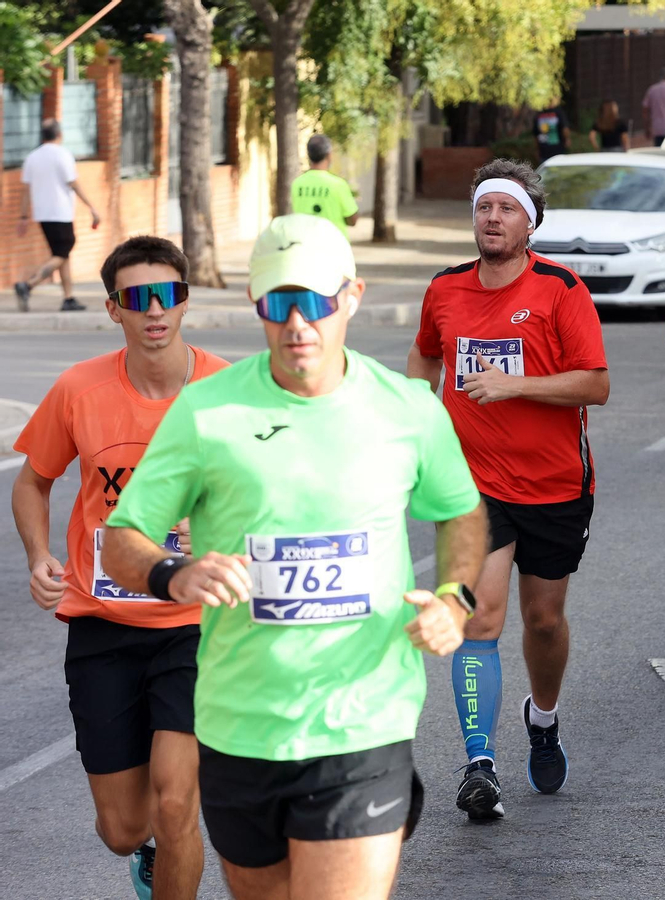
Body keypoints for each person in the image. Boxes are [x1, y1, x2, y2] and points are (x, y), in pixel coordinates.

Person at [100, 214, 485, 899]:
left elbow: (460, 511)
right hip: (239, 728)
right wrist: (174, 572)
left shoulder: (406, 410)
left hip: (362, 724)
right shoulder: (206, 412)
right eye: (279, 304)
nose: (297, 323)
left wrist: (455, 598)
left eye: (315, 302)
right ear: (259, 308)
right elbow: (124, 537)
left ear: (352, 297)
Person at [12, 236, 227, 900]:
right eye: (139, 299)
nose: (156, 311)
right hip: (103, 628)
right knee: (124, 827)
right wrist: (39, 556)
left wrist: (219, 526)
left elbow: (281, 493)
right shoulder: (79, 389)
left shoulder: (230, 391)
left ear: (185, 301)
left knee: (176, 803)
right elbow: (32, 481)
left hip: (196, 626)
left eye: (169, 295)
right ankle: (149, 857)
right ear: (113, 309)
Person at [407, 159, 610, 818]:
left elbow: (595, 384)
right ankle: (479, 763)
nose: (492, 219)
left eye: (507, 209)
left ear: (530, 223)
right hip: (473, 486)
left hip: (555, 484)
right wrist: (416, 417)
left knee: (544, 622)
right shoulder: (445, 288)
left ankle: (543, 719)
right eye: (484, 207)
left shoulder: (560, 289)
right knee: (481, 617)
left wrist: (513, 384)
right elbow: (425, 358)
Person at [15, 119, 102, 313]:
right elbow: (74, 183)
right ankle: (28, 285)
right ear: (59, 135)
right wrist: (92, 207)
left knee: (61, 253)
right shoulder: (62, 155)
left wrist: (23, 216)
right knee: (63, 251)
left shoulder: (32, 157)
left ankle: (68, 298)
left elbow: (26, 190)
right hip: (60, 212)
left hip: (43, 214)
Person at [290, 135, 360, 239]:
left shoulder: (297, 184)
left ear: (309, 155)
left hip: (305, 245)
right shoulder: (338, 184)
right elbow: (352, 220)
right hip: (333, 246)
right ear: (329, 155)